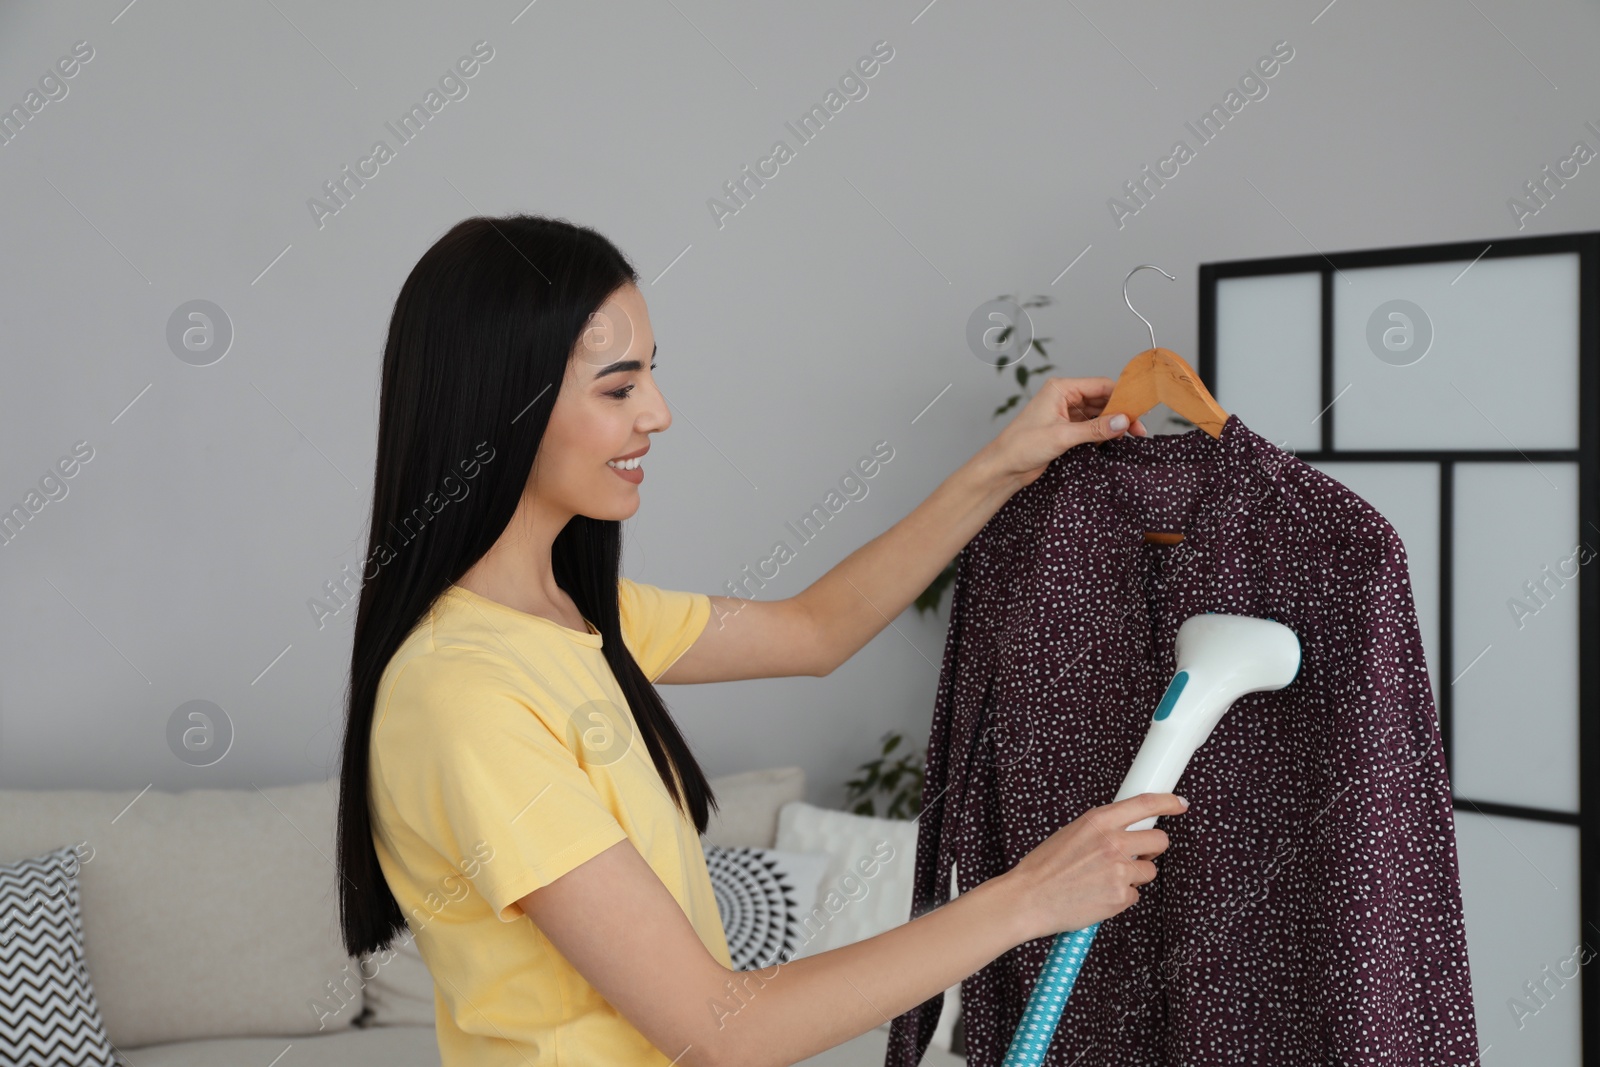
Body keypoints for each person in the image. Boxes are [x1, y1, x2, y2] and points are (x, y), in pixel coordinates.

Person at [334, 213, 1183, 1067]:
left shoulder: (581, 616)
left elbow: (816, 629)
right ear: (503, 404)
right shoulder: (464, 694)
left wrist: (1004, 462)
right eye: (619, 387)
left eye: (651, 378)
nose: (658, 413)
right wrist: (1032, 897)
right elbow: (719, 1029)